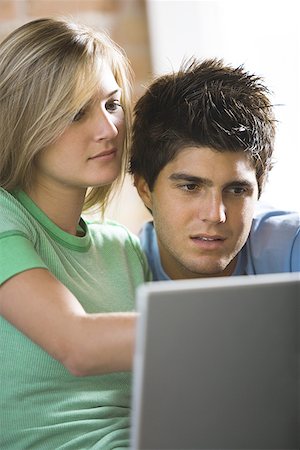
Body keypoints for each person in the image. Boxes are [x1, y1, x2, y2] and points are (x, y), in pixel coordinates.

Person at [0, 18, 150, 449]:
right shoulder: (6, 218)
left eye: (112, 104)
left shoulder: (121, 246)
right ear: (25, 121)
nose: (108, 129)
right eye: (75, 112)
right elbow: (77, 344)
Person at [130, 58, 300, 281]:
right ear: (145, 189)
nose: (215, 215)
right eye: (191, 187)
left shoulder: (289, 246)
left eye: (237, 190)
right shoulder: (124, 270)